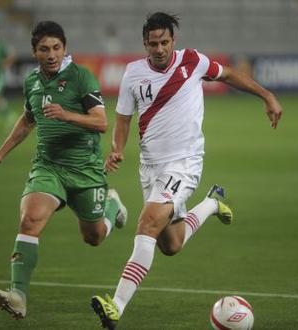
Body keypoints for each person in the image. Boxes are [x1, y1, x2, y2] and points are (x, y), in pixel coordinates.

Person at [90, 12, 283, 329]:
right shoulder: (132, 74)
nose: (160, 49)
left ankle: (116, 306)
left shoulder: (193, 61)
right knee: (171, 243)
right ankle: (212, 203)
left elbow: (230, 75)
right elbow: (123, 118)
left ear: (173, 41)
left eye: (165, 42)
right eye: (153, 44)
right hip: (150, 166)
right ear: (145, 44)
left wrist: (267, 95)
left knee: (148, 222)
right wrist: (117, 148)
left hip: (185, 162)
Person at [0, 21, 128, 320]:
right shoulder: (32, 82)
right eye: (44, 49)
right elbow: (27, 119)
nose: (51, 54)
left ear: (64, 48)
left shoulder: (81, 76)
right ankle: (18, 295)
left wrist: (67, 115)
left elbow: (101, 122)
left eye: (56, 48)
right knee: (30, 219)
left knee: (94, 237)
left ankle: (112, 206)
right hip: (48, 167)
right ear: (34, 52)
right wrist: (0, 153)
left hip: (85, 171)